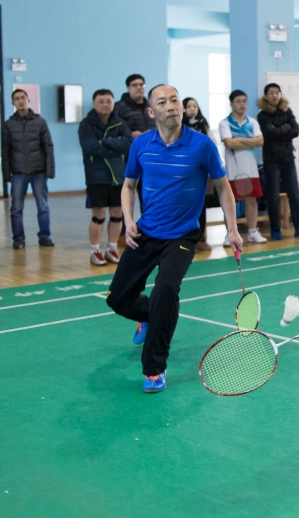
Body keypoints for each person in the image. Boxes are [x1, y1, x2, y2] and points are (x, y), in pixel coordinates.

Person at [106, 85, 243, 394]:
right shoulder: (141, 144)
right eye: (162, 102)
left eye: (174, 100)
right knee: (117, 299)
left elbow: (223, 187)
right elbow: (128, 186)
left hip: (182, 235)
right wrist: (128, 221)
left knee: (166, 290)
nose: (171, 106)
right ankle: (147, 317)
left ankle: (154, 369)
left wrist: (232, 229)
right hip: (145, 232)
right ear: (151, 112)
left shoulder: (202, 145)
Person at [77, 89, 132, 266]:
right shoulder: (86, 124)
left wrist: (106, 142)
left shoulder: (120, 122)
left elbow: (128, 144)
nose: (105, 105)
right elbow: (91, 147)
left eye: (108, 101)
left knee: (117, 213)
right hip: (96, 175)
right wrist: (116, 145)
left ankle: (111, 248)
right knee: (99, 214)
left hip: (118, 175)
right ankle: (95, 250)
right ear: (94, 104)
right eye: (101, 101)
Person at [256, 83, 299, 240]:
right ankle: (275, 229)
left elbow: (296, 130)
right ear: (266, 96)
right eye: (271, 93)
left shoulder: (287, 111)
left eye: (277, 92)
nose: (275, 95)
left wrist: (279, 130)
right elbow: (269, 133)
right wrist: (285, 128)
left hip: (289, 158)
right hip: (271, 160)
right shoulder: (262, 115)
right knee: (273, 196)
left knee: (294, 193)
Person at [1, 89, 55, 249]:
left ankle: (45, 236)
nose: (20, 101)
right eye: (17, 99)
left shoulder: (40, 122)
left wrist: (50, 170)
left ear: (28, 100)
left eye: (23, 98)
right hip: (18, 172)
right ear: (13, 103)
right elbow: (5, 150)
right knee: (16, 208)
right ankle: (18, 239)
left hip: (38, 171)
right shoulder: (8, 124)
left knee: (43, 206)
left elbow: (48, 146)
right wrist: (6, 174)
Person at [219, 89, 267, 244]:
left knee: (251, 200)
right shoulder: (224, 123)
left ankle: (252, 232)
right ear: (231, 104)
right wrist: (249, 140)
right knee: (230, 202)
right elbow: (229, 143)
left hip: (251, 169)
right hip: (232, 171)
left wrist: (238, 140)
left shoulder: (252, 122)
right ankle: (230, 234)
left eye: (244, 101)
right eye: (238, 101)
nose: (242, 104)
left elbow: (260, 141)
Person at [182, 97, 216, 251]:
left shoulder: (203, 124)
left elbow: (212, 141)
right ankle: (186, 239)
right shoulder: (180, 126)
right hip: (185, 172)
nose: (192, 109)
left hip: (201, 170)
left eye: (194, 106)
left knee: (201, 205)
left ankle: (201, 238)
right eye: (189, 106)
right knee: (185, 206)